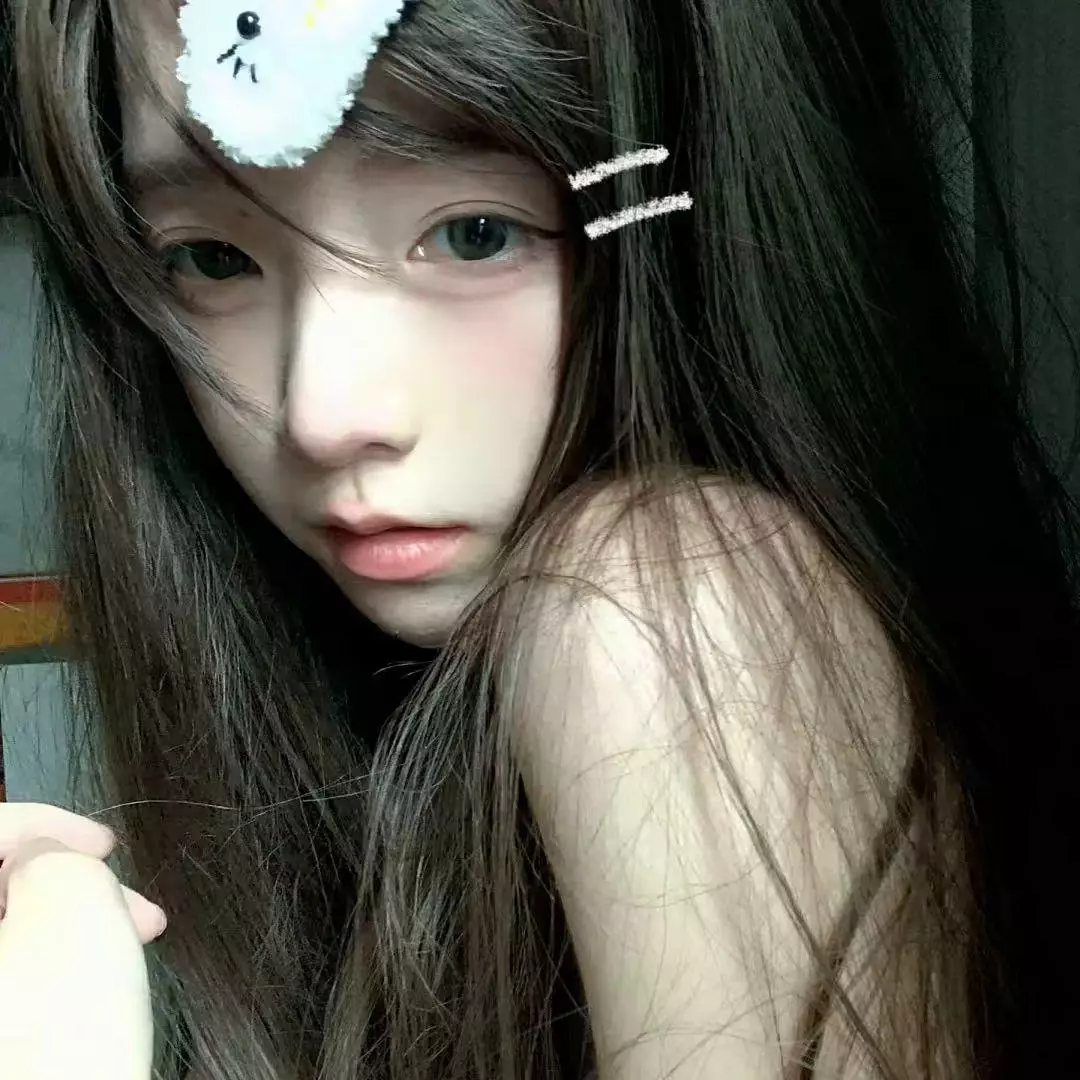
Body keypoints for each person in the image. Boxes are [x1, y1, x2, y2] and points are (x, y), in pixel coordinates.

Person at [2, 0, 1079, 1077]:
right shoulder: (395, 721)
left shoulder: (662, 609)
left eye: (477, 233)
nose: (323, 413)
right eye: (213, 259)